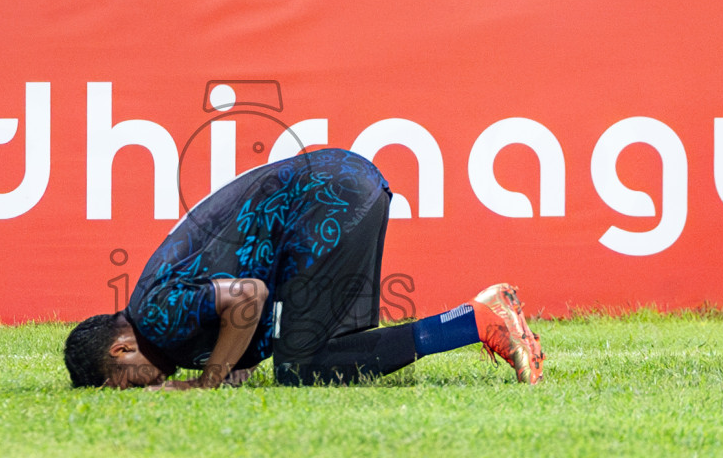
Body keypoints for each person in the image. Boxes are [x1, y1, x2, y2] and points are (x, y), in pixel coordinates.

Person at [63, 147, 543, 390]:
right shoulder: (158, 317)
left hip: (325, 202)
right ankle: (480, 317)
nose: (135, 390)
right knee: (333, 355)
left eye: (120, 382)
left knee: (300, 369)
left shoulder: (154, 316)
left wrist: (210, 379)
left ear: (123, 349)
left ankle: (481, 320)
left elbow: (247, 296)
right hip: (344, 188)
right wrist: (231, 368)